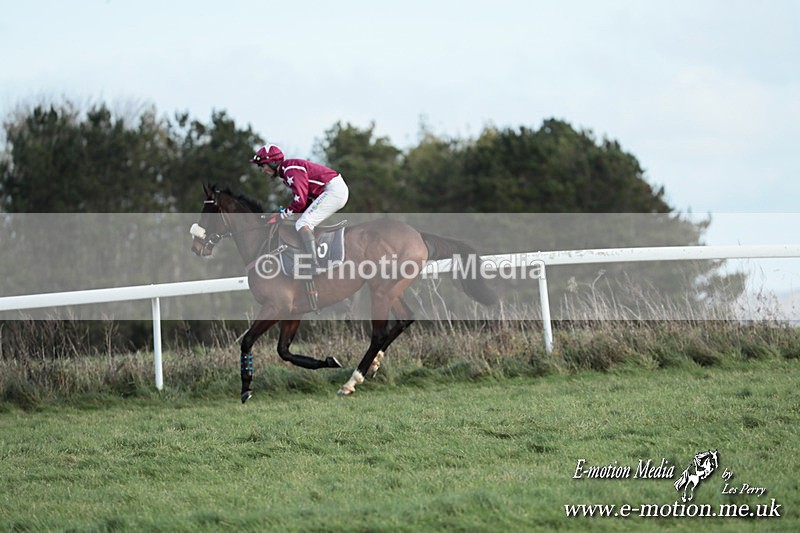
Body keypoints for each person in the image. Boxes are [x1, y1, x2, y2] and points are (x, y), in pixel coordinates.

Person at [250, 144, 349, 273]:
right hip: (331, 190)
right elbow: (305, 201)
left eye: (263, 165)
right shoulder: (287, 171)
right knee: (301, 220)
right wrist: (283, 213)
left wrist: (281, 216)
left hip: (333, 191)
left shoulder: (290, 170)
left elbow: (300, 201)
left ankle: (314, 265)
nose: (263, 170)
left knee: (303, 223)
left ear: (273, 162)